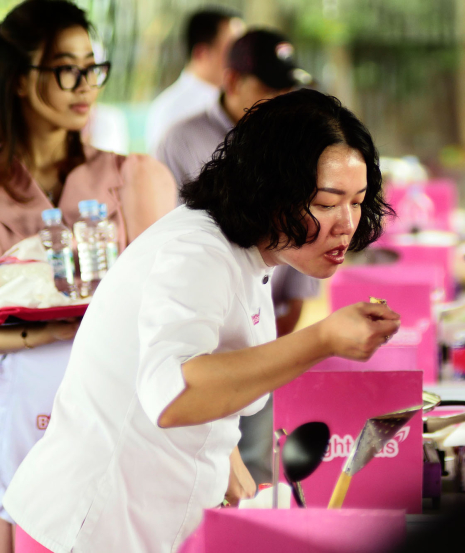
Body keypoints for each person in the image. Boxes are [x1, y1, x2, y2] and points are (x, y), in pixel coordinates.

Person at [4, 88, 399, 553]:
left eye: (357, 201)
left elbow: (206, 368)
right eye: (328, 202)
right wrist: (323, 339)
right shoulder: (197, 252)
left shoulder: (250, 254)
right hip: (88, 529)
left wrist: (225, 458)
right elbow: (173, 392)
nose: (346, 223)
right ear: (269, 189)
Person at [0, 1, 177, 551]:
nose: (85, 85)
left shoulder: (132, 176)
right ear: (20, 78)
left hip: (111, 414)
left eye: (92, 67)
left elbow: (171, 313)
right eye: (65, 67)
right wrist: (38, 334)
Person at [157, 29, 317, 484]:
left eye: (287, 88)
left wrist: (274, 352)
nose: (282, 99)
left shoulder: (298, 137)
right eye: (268, 89)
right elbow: (174, 248)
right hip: (204, 335)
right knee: (205, 471)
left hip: (274, 329)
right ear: (231, 80)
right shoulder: (181, 140)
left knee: (260, 473)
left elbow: (307, 259)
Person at [145, 7, 245, 155]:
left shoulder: (237, 101)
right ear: (201, 53)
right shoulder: (171, 110)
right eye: (234, 49)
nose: (242, 58)